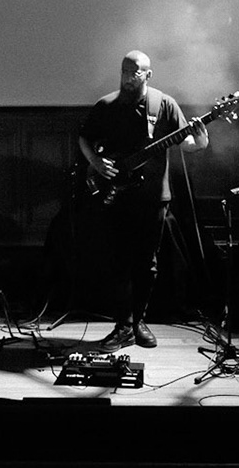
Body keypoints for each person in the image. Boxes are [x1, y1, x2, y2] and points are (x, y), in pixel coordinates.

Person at [76, 50, 208, 349]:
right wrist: (95, 163)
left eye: (135, 71)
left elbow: (186, 142)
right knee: (118, 260)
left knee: (147, 263)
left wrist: (200, 142)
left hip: (153, 198)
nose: (127, 76)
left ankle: (137, 321)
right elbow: (84, 137)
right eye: (124, 70)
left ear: (148, 74)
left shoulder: (164, 105)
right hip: (115, 194)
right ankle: (122, 325)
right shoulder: (107, 105)